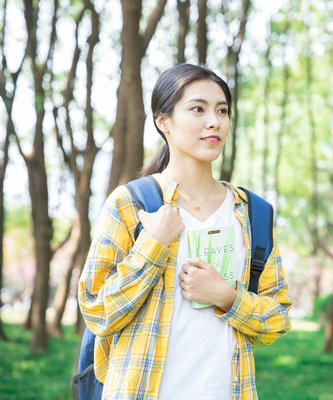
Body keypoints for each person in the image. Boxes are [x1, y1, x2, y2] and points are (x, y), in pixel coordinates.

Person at [78, 63, 292, 400]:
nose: (214, 121)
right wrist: (154, 243)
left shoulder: (252, 214)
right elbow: (99, 313)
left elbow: (277, 318)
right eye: (198, 109)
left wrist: (226, 297)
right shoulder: (131, 204)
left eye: (222, 111)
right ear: (164, 121)